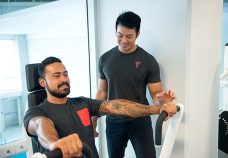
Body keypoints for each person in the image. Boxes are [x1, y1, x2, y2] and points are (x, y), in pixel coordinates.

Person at [24, 56, 176, 158]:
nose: (64, 79)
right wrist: (53, 144)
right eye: (57, 76)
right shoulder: (38, 112)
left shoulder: (82, 103)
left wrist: (157, 110)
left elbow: (116, 106)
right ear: (43, 82)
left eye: (65, 74)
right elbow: (40, 125)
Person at [92, 11, 176, 158]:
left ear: (137, 34)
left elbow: (156, 94)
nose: (123, 40)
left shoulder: (148, 61)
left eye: (129, 36)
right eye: (119, 35)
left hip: (140, 122)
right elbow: (101, 93)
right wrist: (93, 120)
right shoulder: (104, 59)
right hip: (113, 121)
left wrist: (161, 99)